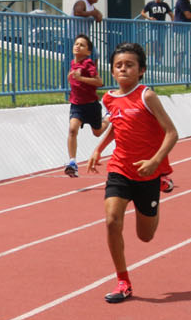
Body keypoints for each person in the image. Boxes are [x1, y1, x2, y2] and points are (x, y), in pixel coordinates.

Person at [87, 41, 179, 303]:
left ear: (141, 70)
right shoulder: (109, 98)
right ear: (112, 71)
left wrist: (155, 162)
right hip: (120, 168)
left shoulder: (147, 96)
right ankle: (123, 281)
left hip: (147, 172)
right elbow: (118, 124)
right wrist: (98, 149)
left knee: (145, 236)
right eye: (119, 65)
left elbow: (172, 133)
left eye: (129, 65)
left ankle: (161, 183)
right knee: (111, 221)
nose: (123, 69)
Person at [64, 33, 104, 178]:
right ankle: (73, 163)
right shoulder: (72, 63)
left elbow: (99, 82)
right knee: (72, 130)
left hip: (91, 105)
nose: (77, 46)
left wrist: (81, 78)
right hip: (76, 105)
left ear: (88, 51)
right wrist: (72, 77)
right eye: (76, 44)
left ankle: (108, 118)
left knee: (97, 132)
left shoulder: (88, 63)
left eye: (82, 45)